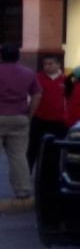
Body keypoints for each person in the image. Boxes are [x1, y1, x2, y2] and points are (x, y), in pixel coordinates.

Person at [0, 44, 40, 207]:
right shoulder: (28, 73)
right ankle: (23, 190)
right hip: (20, 117)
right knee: (18, 156)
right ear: (18, 56)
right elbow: (37, 94)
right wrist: (29, 114)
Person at [29, 55, 68, 169]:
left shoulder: (66, 80)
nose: (47, 66)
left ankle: (49, 175)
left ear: (58, 65)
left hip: (58, 121)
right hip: (39, 118)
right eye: (45, 64)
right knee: (32, 148)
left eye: (50, 64)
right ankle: (26, 174)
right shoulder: (37, 78)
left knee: (54, 150)